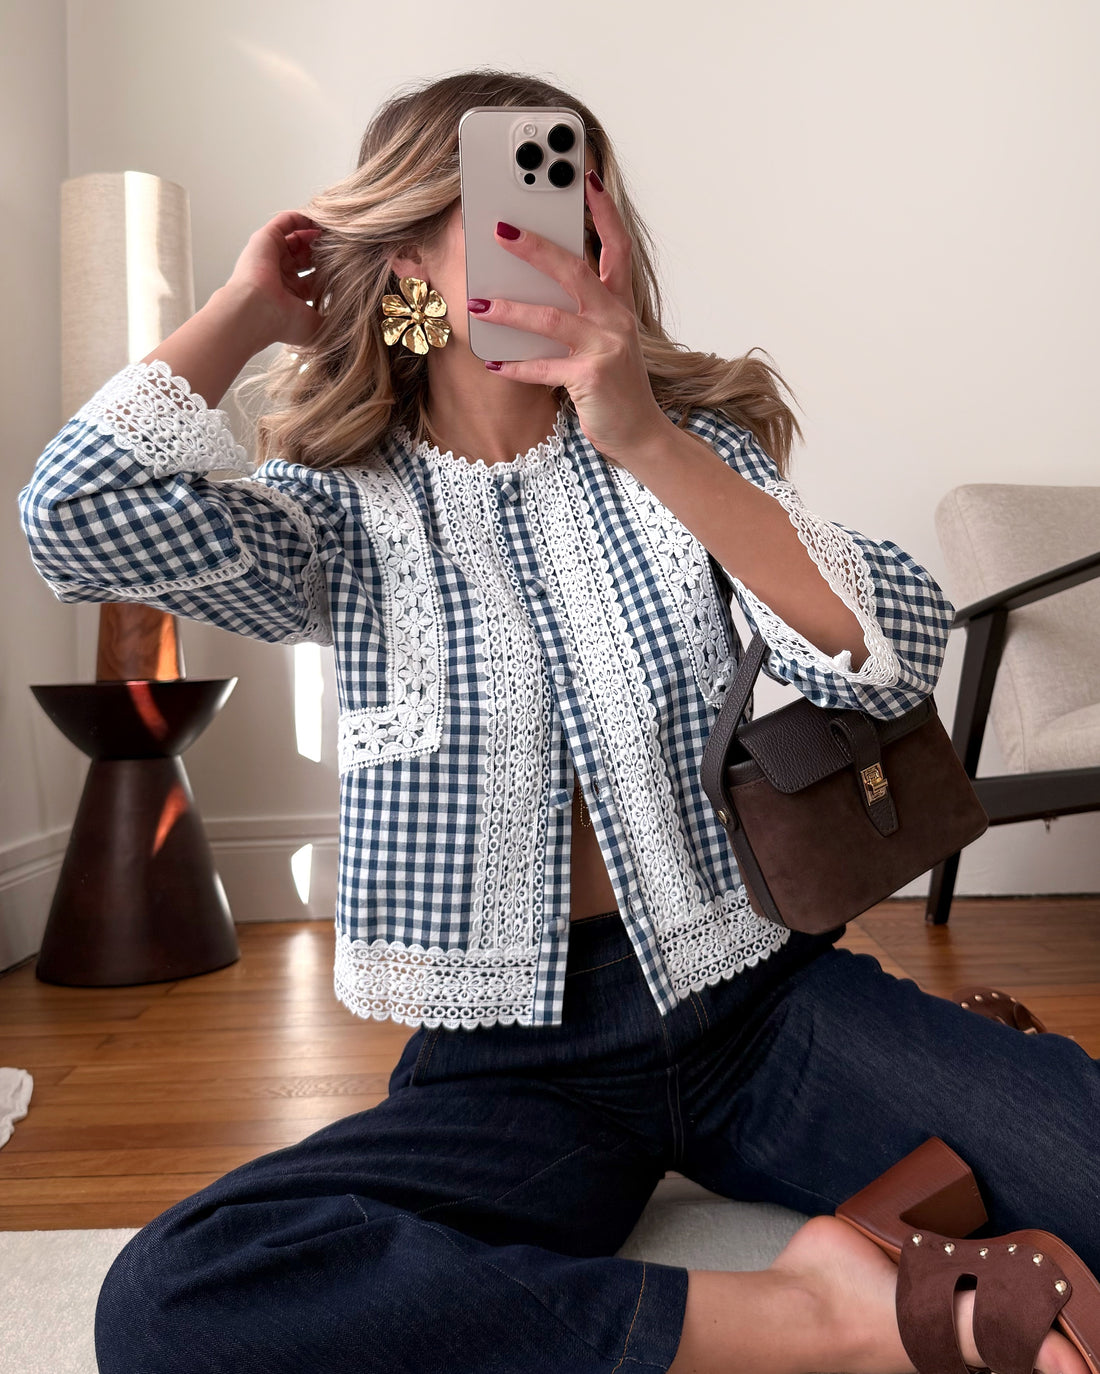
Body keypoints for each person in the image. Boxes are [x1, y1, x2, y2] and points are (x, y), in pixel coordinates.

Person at [18, 69, 1099, 1374]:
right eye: (508, 195)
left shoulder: (687, 449)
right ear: (406, 251)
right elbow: (70, 519)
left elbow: (895, 655)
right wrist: (247, 310)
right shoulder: (332, 508)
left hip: (762, 1002)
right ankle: (815, 1316)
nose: (555, 226)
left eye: (580, 195)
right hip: (512, 1064)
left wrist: (640, 431)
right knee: (174, 1300)